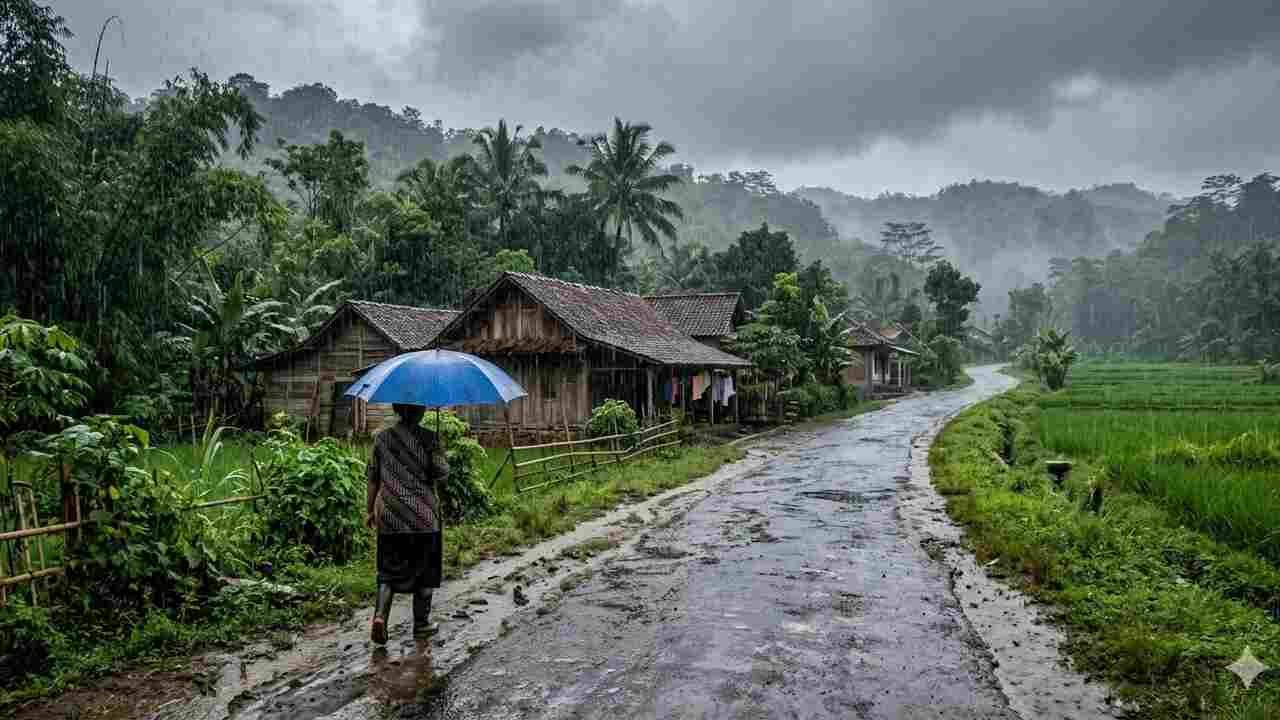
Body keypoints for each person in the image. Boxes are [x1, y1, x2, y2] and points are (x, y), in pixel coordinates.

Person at [366, 403, 449, 645]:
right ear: (422, 412)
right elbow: (442, 474)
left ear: (396, 409)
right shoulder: (429, 438)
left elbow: (373, 478)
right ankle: (421, 625)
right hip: (423, 517)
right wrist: (434, 450)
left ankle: (380, 616)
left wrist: (369, 510)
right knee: (425, 570)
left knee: (388, 569)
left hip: (390, 515)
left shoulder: (381, 439)